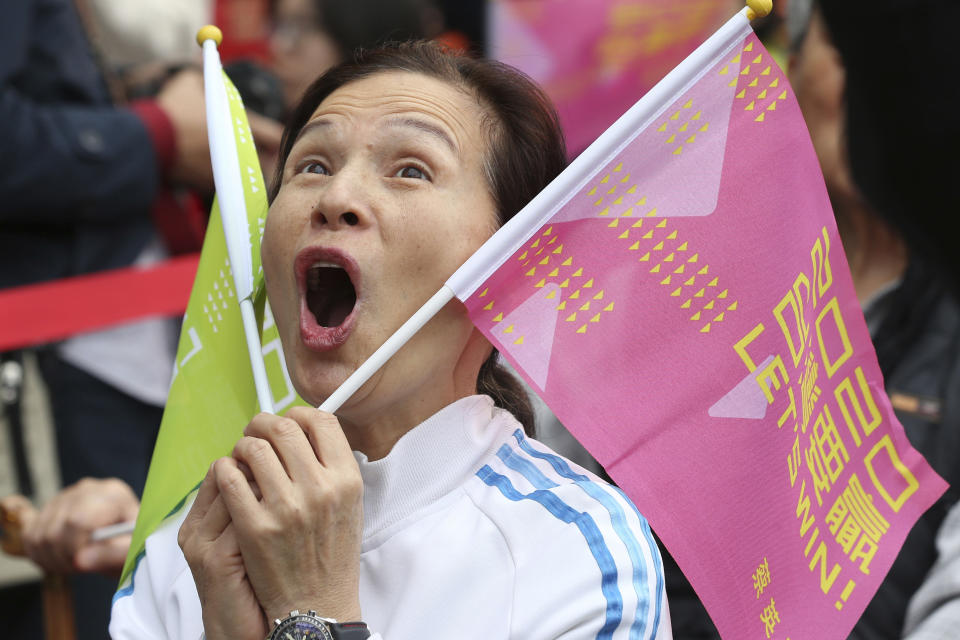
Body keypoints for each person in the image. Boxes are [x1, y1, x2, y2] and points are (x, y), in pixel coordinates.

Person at [110, 41, 671, 639]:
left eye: (411, 170)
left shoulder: (577, 554)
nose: (335, 199)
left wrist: (311, 613)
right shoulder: (191, 545)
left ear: (510, 269)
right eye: (313, 166)